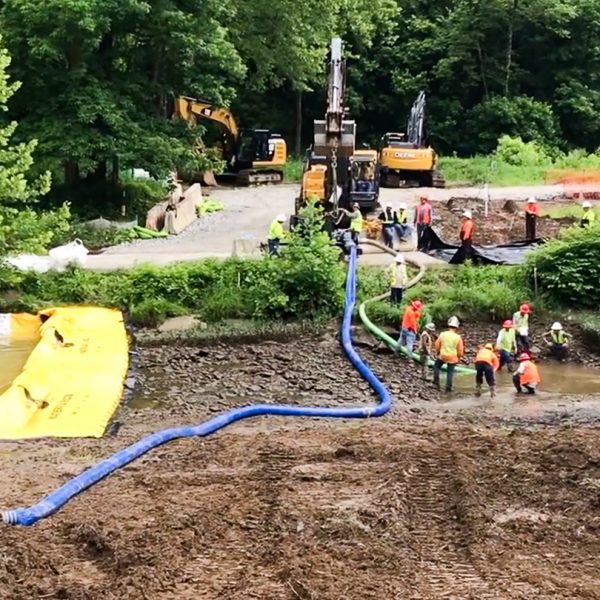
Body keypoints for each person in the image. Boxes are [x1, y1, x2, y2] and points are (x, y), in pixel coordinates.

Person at [433, 316, 464, 392]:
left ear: (448, 325)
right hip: (453, 357)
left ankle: (436, 382)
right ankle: (448, 388)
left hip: (443, 355)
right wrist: (459, 357)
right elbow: (460, 350)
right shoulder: (458, 337)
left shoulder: (442, 334)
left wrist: (437, 352)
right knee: (450, 372)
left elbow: (437, 344)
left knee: (436, 366)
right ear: (456, 327)